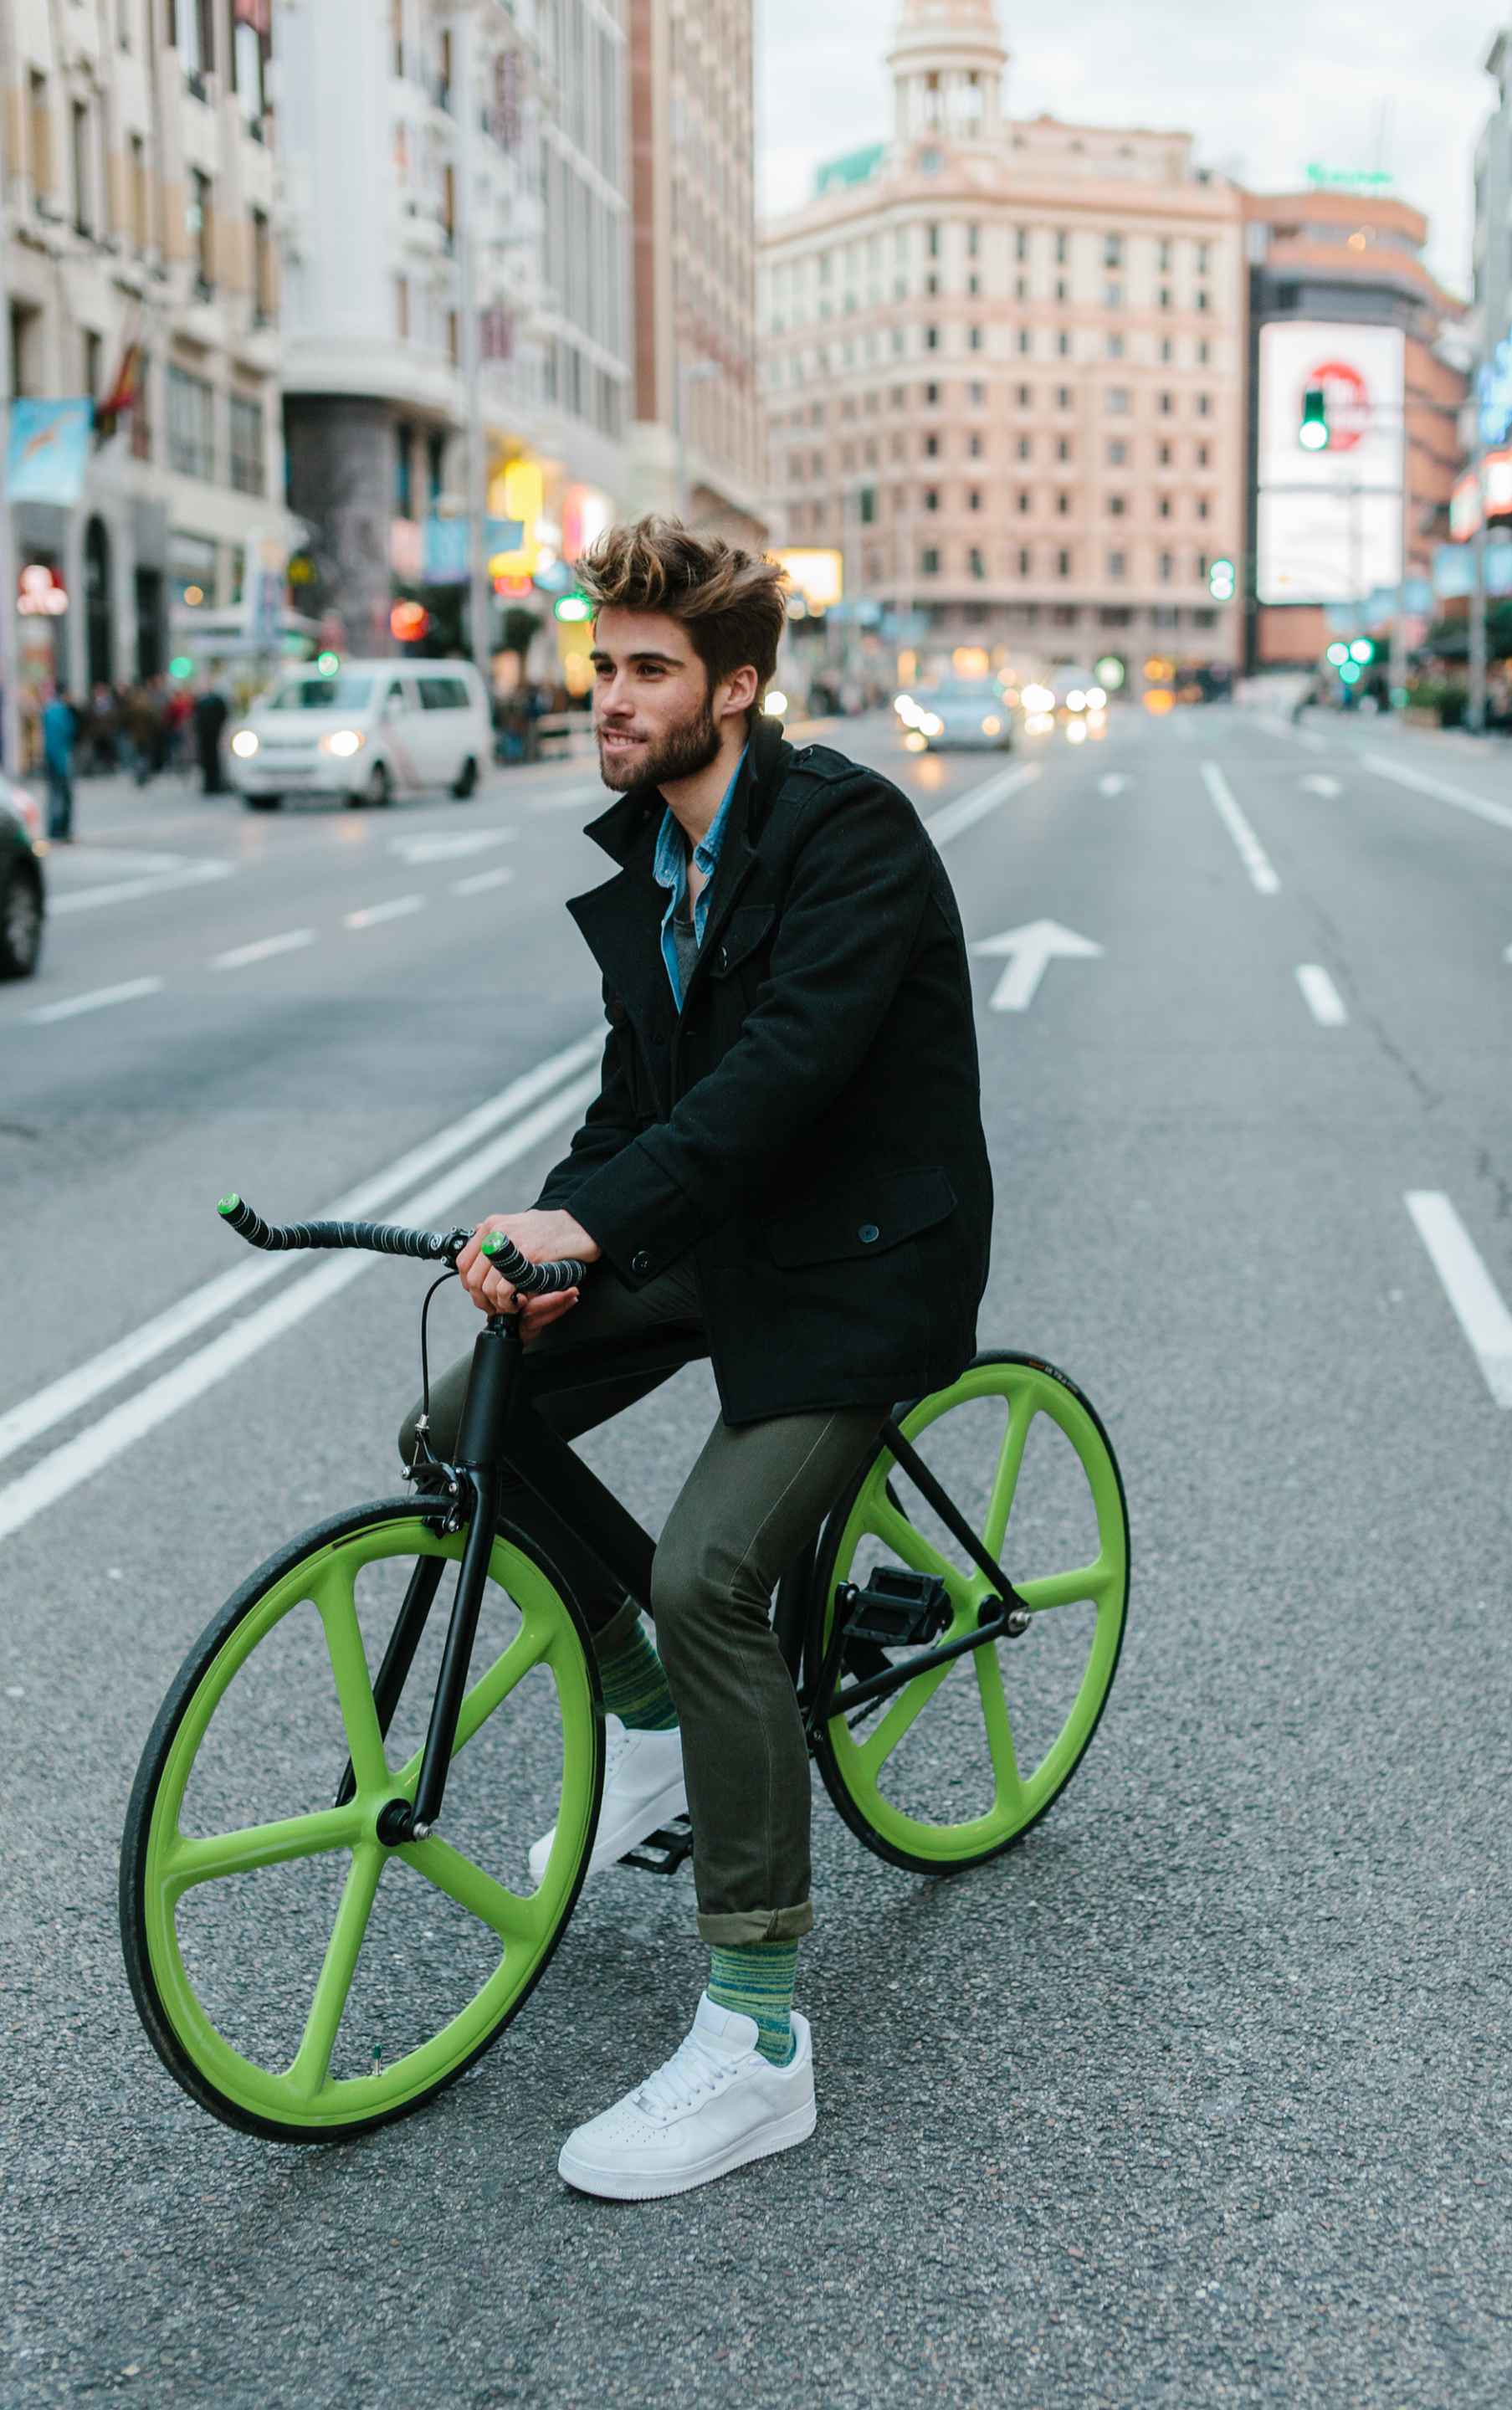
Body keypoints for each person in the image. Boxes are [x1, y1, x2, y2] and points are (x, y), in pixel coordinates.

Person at [396, 515, 992, 2200]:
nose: (610, 694)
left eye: (649, 669)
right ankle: (652, 1720)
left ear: (736, 688)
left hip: (859, 1261)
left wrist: (596, 1225)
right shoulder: (656, 862)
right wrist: (554, 1239)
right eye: (604, 665)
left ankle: (759, 2041)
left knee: (713, 1574)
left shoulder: (849, 835)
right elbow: (636, 1112)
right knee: (459, 1421)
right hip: (719, 1238)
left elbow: (779, 1080)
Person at [41, 685, 78, 841]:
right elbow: (68, 733)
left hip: (52, 758)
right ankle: (61, 830)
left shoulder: (49, 711)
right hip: (61, 759)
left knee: (54, 795)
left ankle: (54, 829)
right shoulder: (62, 712)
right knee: (63, 796)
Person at [192, 675, 229, 794]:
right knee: (206, 760)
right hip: (204, 735)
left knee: (214, 759)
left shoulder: (217, 700)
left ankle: (215, 783)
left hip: (214, 733)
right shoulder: (200, 700)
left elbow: (223, 714)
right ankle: (209, 784)